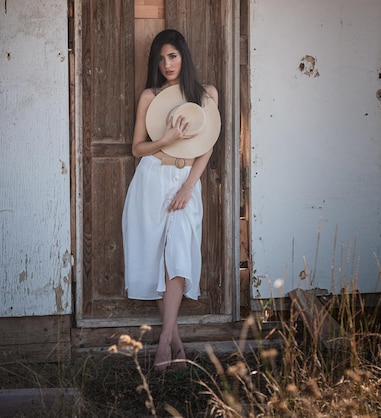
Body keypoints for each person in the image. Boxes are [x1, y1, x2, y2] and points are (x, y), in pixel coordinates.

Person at [122, 29, 219, 372]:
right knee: (157, 260)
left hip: (185, 182)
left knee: (176, 255)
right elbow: (137, 149)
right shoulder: (150, 95)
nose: (167, 64)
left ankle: (163, 344)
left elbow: (206, 146)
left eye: (172, 56)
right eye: (161, 59)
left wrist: (189, 187)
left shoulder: (206, 94)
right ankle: (175, 344)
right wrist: (166, 138)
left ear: (184, 56)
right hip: (152, 178)